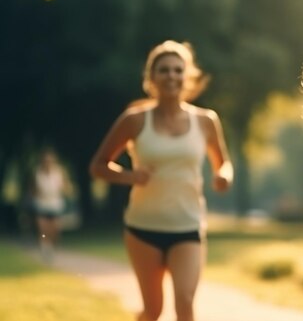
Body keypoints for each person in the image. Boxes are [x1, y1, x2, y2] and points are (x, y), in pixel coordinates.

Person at [89, 40, 233, 321]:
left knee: (185, 301)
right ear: (152, 78)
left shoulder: (205, 121)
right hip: (143, 228)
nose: (171, 76)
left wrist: (223, 176)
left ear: (187, 76)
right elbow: (98, 165)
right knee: (153, 310)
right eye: (164, 70)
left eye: (178, 70)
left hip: (188, 225)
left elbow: (223, 162)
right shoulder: (134, 120)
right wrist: (131, 176)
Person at [31, 147, 73, 262]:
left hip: (55, 204)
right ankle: (45, 248)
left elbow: (65, 186)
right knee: (43, 228)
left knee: (55, 229)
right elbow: (33, 190)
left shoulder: (59, 172)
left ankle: (52, 246)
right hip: (42, 204)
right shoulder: (38, 173)